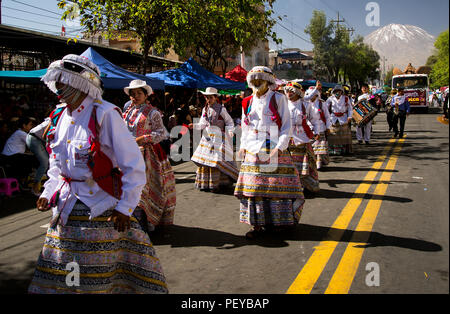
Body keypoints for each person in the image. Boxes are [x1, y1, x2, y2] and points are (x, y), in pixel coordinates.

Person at [28, 54, 168, 294]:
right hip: (65, 207)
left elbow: (132, 164)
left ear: (81, 83)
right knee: (66, 269)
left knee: (98, 273)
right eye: (57, 83)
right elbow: (57, 163)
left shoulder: (105, 113)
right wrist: (48, 190)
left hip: (99, 206)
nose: (59, 88)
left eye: (64, 82)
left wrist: (125, 208)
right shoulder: (59, 116)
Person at [234, 66, 305, 239]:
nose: (257, 84)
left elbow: (286, 126)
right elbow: (245, 126)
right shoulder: (247, 101)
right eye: (254, 81)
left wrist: (279, 148)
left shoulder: (278, 98)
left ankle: (279, 222)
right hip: (253, 149)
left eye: (260, 80)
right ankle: (256, 225)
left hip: (273, 147)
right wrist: (242, 146)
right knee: (254, 189)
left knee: (276, 187)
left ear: (268, 82)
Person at [123, 79, 176, 233]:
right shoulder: (127, 111)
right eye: (133, 94)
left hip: (148, 155)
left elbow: (161, 134)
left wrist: (142, 139)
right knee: (128, 188)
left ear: (146, 95)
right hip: (128, 154)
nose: (135, 96)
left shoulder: (153, 113)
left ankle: (147, 222)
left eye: (139, 93)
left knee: (145, 188)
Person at [189, 87, 239, 193]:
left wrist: (230, 131)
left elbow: (229, 122)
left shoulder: (221, 109)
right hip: (207, 137)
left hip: (219, 136)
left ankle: (218, 183)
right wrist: (195, 125)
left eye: (210, 97)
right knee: (206, 161)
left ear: (215, 98)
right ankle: (207, 183)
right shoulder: (205, 109)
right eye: (207, 97)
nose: (208, 100)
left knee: (216, 160)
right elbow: (203, 123)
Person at [284, 81, 320, 195]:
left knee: (305, 163)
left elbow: (315, 119)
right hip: (287, 137)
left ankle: (305, 185)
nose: (289, 94)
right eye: (287, 91)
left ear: (297, 93)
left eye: (291, 91)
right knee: (288, 163)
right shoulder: (283, 104)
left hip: (302, 137)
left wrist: (317, 131)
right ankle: (290, 186)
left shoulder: (306, 105)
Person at [1, 116, 38, 189]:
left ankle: (26, 180)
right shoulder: (20, 133)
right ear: (24, 126)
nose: (31, 127)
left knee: (31, 158)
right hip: (10, 157)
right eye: (30, 125)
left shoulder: (19, 133)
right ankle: (27, 180)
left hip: (10, 156)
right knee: (33, 159)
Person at [305, 86, 331, 170]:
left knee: (320, 146)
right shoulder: (306, 104)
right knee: (312, 147)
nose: (312, 97)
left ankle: (319, 162)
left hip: (321, 127)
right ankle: (312, 162)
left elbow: (327, 116)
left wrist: (328, 127)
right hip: (310, 128)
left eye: (314, 95)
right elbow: (305, 117)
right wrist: (310, 126)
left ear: (316, 95)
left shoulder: (321, 103)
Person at [26, 115, 51, 196]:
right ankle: (35, 188)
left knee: (50, 161)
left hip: (37, 139)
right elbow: (45, 135)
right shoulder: (55, 120)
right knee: (45, 163)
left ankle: (47, 186)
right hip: (34, 139)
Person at [325, 85, 353, 155]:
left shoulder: (346, 98)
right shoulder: (330, 99)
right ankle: (333, 151)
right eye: (336, 91)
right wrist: (327, 118)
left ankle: (344, 151)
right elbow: (326, 109)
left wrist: (349, 116)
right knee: (333, 135)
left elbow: (350, 108)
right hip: (333, 118)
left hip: (343, 117)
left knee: (343, 135)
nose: (337, 92)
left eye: (339, 91)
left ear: (341, 92)